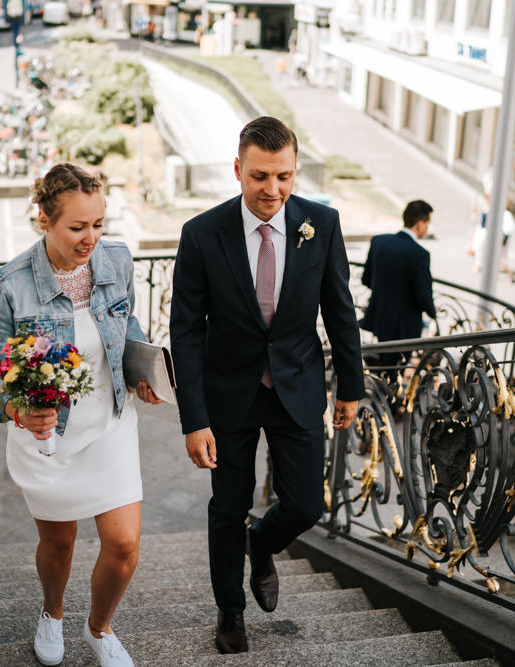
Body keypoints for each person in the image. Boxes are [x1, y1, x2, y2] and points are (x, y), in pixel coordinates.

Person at [170, 116, 364, 655]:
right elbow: (184, 333)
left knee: (305, 505)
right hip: (228, 393)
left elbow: (340, 310)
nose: (271, 190)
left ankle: (263, 542)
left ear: (295, 172)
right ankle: (230, 612)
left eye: (283, 176)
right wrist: (194, 418)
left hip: (297, 386)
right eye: (259, 176)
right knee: (227, 505)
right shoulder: (202, 234)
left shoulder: (321, 225)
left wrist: (351, 385)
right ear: (237, 170)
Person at [0, 163, 162, 667]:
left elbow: (128, 324)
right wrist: (16, 408)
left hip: (110, 425)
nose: (91, 238)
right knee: (59, 546)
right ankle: (52, 613)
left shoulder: (117, 260)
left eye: (98, 224)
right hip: (46, 438)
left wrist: (140, 368)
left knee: (123, 545)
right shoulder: (11, 282)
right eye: (77, 227)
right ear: (44, 220)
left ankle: (99, 629)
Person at [359, 199, 436, 369]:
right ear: (420, 224)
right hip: (404, 325)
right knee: (396, 369)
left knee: (383, 365)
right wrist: (434, 313)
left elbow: (366, 279)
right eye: (428, 223)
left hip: (380, 317)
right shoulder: (420, 254)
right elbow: (423, 295)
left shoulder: (379, 242)